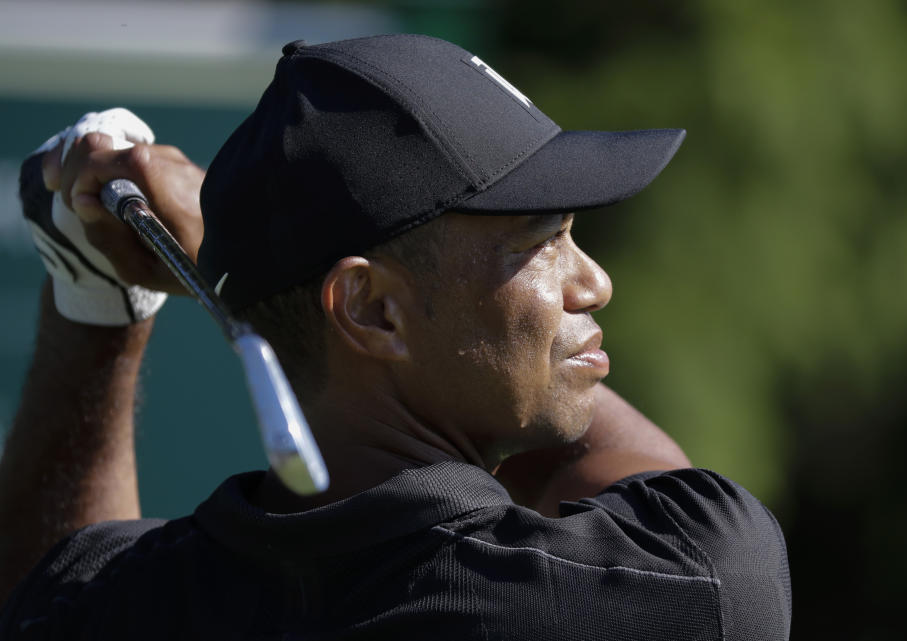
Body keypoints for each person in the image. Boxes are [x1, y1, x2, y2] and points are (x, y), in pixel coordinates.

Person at [0, 35, 791, 639]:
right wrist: (216, 237)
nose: (593, 283)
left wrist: (96, 303)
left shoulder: (108, 602)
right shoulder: (685, 583)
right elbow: (630, 473)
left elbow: (43, 589)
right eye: (540, 240)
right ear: (372, 310)